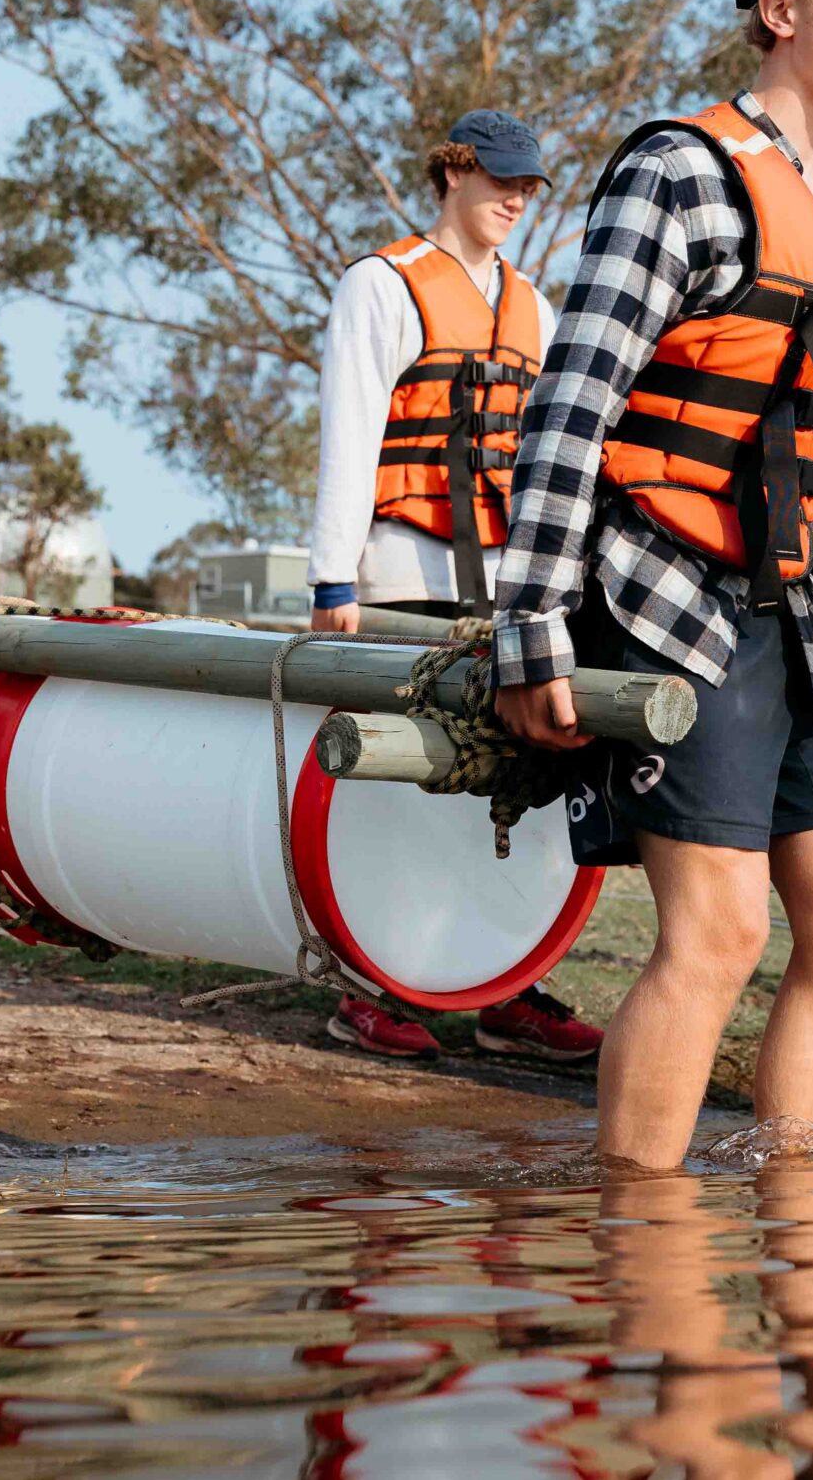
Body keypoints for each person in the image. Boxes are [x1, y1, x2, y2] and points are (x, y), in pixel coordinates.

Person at [492, 0, 813, 1171]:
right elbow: (570, 403)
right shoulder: (676, 173)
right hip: (663, 600)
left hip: (798, 619)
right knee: (717, 930)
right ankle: (639, 1237)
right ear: (778, 11)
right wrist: (529, 625)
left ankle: (802, 1224)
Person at [301, 109, 604, 1065]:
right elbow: (348, 434)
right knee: (395, 781)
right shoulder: (381, 286)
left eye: (529, 186)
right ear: (453, 173)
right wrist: (331, 576)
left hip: (504, 584)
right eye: (500, 179)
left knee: (512, 776)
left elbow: (560, 459)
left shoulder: (538, 310)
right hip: (401, 569)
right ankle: (362, 985)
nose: (515, 199)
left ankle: (506, 986)